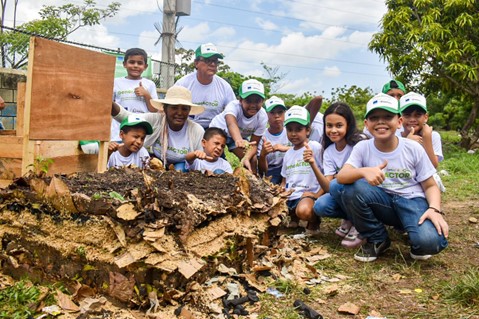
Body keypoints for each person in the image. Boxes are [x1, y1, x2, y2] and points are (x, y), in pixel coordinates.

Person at [333, 93, 449, 262]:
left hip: (411, 201)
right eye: (374, 117)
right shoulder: (362, 147)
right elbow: (341, 176)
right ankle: (377, 238)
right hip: (381, 200)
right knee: (343, 186)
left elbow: (430, 185)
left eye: (388, 117)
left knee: (430, 243)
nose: (381, 122)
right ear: (366, 124)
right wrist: (364, 171)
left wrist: (434, 209)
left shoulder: (413, 148)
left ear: (399, 122)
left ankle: (413, 233)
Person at [111, 86, 205, 171]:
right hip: (157, 163)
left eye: (184, 109)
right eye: (174, 108)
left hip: (184, 168)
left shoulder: (196, 130)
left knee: (180, 169)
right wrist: (107, 101)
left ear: (189, 111)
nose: (179, 113)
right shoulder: (156, 120)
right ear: (165, 109)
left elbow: (200, 162)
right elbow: (127, 117)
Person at [311, 102, 366, 248]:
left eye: (339, 125)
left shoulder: (359, 143)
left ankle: (361, 225)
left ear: (348, 125)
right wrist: (313, 164)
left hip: (363, 192)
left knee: (342, 184)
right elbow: (328, 186)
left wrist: (339, 176)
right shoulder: (329, 151)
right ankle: (349, 217)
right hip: (343, 191)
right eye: (329, 126)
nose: (333, 130)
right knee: (320, 205)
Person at [281, 105, 323, 235]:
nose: (293, 134)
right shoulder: (288, 153)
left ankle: (314, 221)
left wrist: (317, 194)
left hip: (308, 193)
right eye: (290, 129)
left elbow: (326, 174)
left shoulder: (314, 147)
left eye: (299, 129)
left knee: (304, 211)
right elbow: (284, 179)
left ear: (308, 130)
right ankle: (294, 219)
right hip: (291, 194)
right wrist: (280, 191)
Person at [210, 79, 267, 173]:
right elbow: (231, 123)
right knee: (215, 158)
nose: (253, 105)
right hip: (219, 131)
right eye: (248, 101)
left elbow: (254, 144)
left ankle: (252, 182)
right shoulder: (233, 106)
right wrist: (238, 140)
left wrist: (246, 157)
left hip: (240, 138)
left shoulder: (262, 116)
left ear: (262, 101)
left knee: (252, 159)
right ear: (240, 100)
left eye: (257, 101)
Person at [175, 43, 236, 129]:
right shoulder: (182, 84)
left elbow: (234, 111)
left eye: (215, 61)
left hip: (214, 129)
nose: (213, 64)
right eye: (208, 60)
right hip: (188, 128)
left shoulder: (224, 87)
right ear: (196, 63)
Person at [400, 92, 445, 192]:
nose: (412, 119)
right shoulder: (396, 137)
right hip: (403, 177)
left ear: (425, 117)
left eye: (418, 115)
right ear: (400, 118)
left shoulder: (433, 136)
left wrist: (427, 138)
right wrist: (407, 142)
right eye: (407, 115)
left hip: (425, 178)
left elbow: (433, 166)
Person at [111, 48, 158, 143]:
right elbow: (109, 107)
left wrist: (146, 95)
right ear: (124, 64)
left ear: (145, 66)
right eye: (131, 62)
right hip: (118, 134)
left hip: (140, 135)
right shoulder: (116, 82)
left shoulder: (150, 84)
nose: (135, 66)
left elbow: (154, 110)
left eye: (140, 63)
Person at [258, 96, 291, 184]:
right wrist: (263, 155)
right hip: (272, 171)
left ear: (285, 113)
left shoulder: (291, 132)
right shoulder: (261, 136)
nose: (276, 116)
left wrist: (285, 148)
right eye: (272, 113)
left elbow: (303, 149)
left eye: (280, 112)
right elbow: (263, 171)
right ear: (266, 115)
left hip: (290, 168)